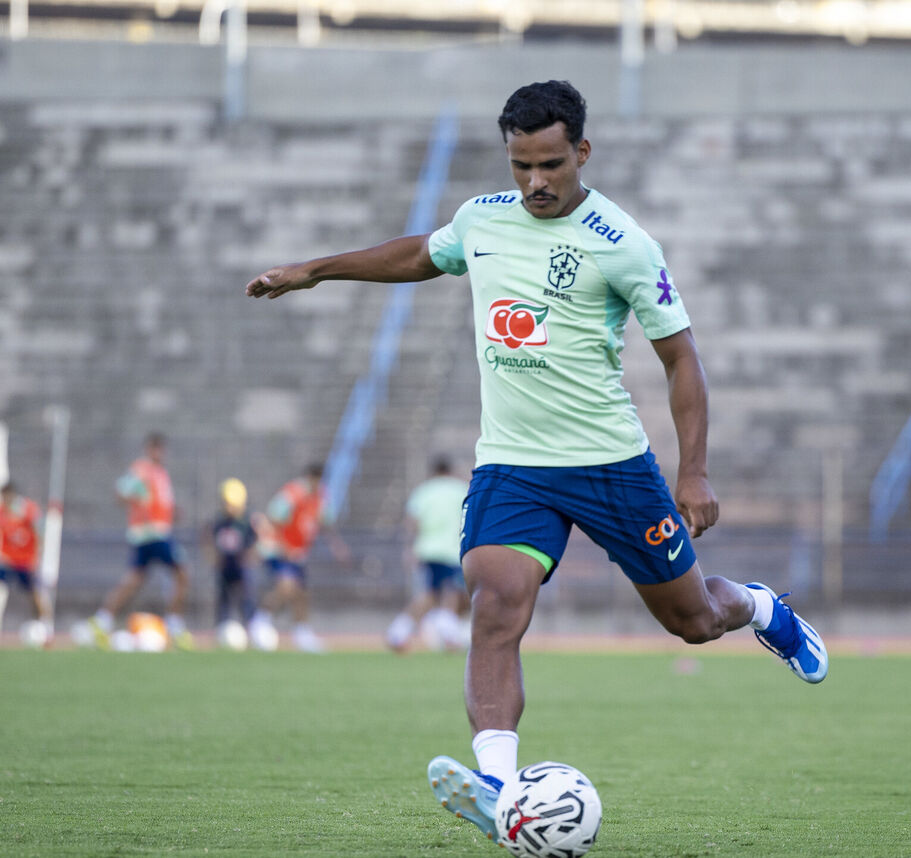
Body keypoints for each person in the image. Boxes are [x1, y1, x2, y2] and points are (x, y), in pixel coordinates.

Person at [246, 79, 827, 842]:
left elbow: (683, 361)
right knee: (494, 603)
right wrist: (314, 270)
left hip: (610, 464)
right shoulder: (482, 220)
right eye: (521, 165)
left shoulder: (624, 244)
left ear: (581, 152)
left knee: (692, 620)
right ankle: (498, 786)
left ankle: (758, 607)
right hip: (513, 464)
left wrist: (694, 470)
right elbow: (421, 255)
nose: (535, 182)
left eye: (551, 164)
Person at [88, 432, 193, 650]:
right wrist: (137, 501)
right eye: (154, 448)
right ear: (148, 449)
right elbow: (120, 492)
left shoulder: (160, 473)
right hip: (152, 534)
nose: (158, 452)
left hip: (155, 532)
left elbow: (159, 502)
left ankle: (102, 619)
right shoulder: (142, 469)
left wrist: (172, 511)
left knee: (134, 580)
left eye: (161, 448)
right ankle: (174, 625)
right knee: (182, 573)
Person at [248, 463, 349, 653]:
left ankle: (302, 633)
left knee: (301, 595)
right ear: (309, 477)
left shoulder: (319, 497)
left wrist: (337, 546)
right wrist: (284, 546)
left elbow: (324, 523)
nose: (317, 484)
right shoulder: (293, 494)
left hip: (298, 552)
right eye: (315, 480)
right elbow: (274, 519)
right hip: (278, 549)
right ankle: (260, 622)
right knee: (287, 586)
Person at [385, 456, 470, 653]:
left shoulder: (423, 491)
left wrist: (410, 548)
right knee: (451, 592)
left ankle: (402, 631)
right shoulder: (460, 489)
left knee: (435, 593)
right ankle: (446, 635)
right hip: (452, 551)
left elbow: (412, 522)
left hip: (428, 550)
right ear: (450, 470)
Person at [203, 477, 258, 633]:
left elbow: (256, 541)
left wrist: (251, 556)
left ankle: (251, 626)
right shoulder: (219, 521)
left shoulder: (247, 522)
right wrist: (211, 556)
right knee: (223, 599)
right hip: (225, 566)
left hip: (241, 567)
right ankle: (222, 627)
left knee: (246, 597)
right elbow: (207, 538)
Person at [0, 481, 51, 635]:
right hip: (8, 561)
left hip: (27, 561)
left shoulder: (28, 509)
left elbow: (39, 532)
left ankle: (45, 626)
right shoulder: (2, 512)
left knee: (35, 593)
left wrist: (38, 556)